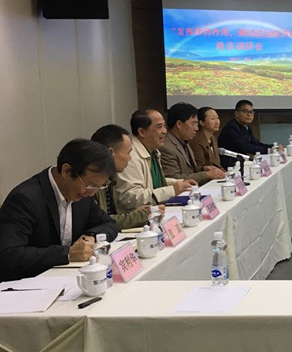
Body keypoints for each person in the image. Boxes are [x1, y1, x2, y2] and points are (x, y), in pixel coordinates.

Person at [0, 139, 118, 281]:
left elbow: (109, 224)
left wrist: (91, 237)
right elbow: (8, 255)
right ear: (66, 171)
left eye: (98, 187)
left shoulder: (82, 194)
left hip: (68, 278)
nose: (92, 193)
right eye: (90, 186)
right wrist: (67, 254)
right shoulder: (25, 198)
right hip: (30, 283)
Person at [115, 109, 196, 211]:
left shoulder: (153, 151)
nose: (164, 131)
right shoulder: (131, 156)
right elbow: (130, 198)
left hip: (156, 211)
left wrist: (180, 183)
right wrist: (172, 190)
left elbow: (153, 183)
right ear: (142, 132)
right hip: (139, 217)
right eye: (159, 127)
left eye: (164, 126)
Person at [90, 124, 162, 230]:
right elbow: (102, 222)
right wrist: (141, 215)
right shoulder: (91, 184)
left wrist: (135, 213)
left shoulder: (110, 179)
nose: (130, 158)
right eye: (128, 153)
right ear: (111, 153)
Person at [161, 103, 225, 184]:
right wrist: (206, 175)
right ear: (179, 124)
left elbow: (189, 170)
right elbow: (174, 179)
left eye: (197, 124)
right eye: (193, 124)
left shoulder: (184, 142)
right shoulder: (166, 147)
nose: (196, 128)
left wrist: (203, 169)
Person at [217, 100, 279, 168]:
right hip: (230, 165)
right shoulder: (231, 128)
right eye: (245, 111)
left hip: (240, 162)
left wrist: (273, 147)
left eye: (251, 112)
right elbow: (245, 147)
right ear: (236, 113)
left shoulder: (246, 127)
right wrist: (268, 150)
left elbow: (255, 143)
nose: (249, 115)